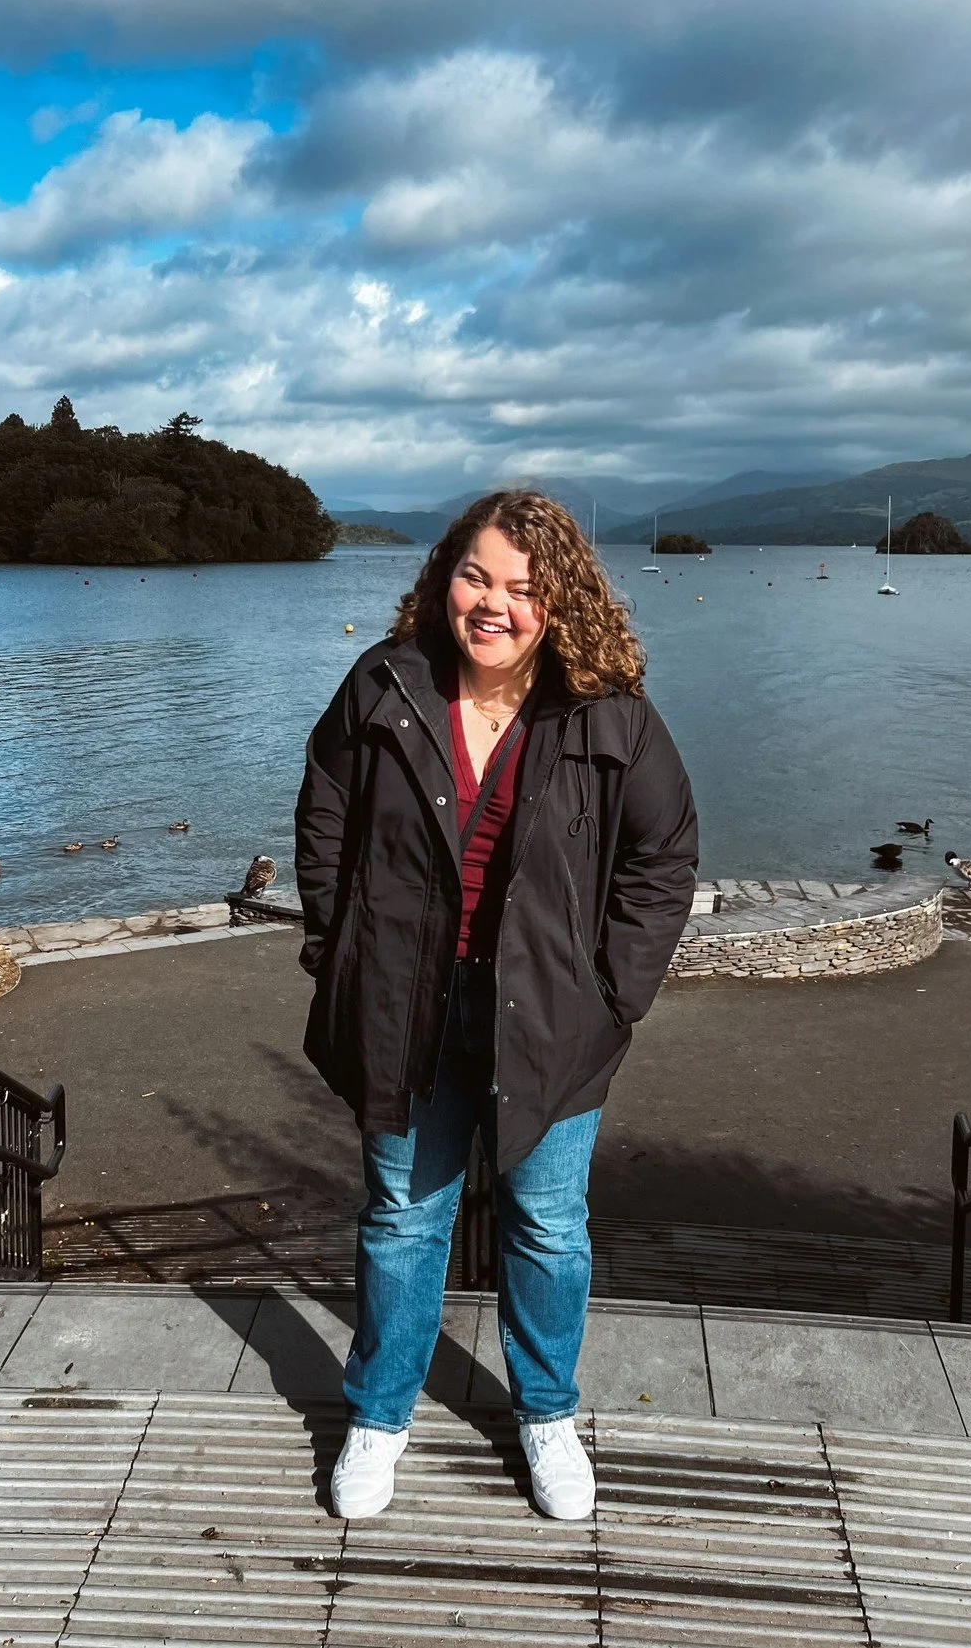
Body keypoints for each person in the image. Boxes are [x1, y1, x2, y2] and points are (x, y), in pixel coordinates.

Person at [294, 489, 697, 1521]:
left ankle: (547, 1416)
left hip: (553, 1018)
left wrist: (614, 995)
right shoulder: (382, 684)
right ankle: (378, 1417)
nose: (494, 604)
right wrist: (335, 954)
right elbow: (325, 816)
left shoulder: (609, 711)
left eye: (522, 587)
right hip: (404, 1009)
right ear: (445, 577)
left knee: (548, 1227)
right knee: (401, 1220)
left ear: (559, 602)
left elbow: (661, 858)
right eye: (476, 576)